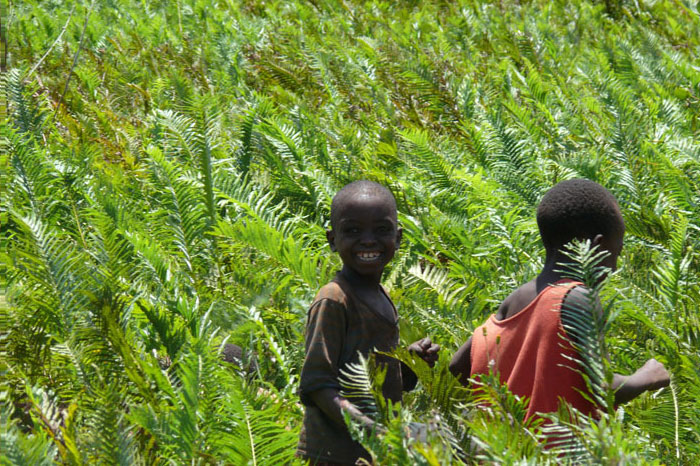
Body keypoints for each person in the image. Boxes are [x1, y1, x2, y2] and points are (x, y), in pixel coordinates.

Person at [449, 179, 670, 421]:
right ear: (596, 248)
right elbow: (605, 389)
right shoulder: (578, 298)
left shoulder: (511, 304)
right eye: (615, 254)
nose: (614, 267)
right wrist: (649, 375)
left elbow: (458, 367)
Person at [296, 180, 440, 465]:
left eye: (381, 230)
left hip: (374, 453)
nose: (368, 240)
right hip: (334, 455)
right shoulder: (334, 299)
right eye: (352, 231)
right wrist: (369, 430)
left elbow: (370, 376)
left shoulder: (380, 295)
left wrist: (408, 365)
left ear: (398, 238)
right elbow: (317, 384)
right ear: (332, 240)